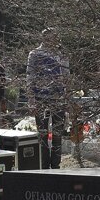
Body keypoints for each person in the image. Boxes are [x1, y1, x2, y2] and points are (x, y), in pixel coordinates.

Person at [26, 28, 68, 168]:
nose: (51, 40)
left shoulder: (61, 54)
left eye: (54, 37)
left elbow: (66, 76)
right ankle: (44, 166)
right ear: (43, 38)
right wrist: (31, 99)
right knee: (43, 134)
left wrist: (66, 97)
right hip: (40, 97)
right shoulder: (35, 54)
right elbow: (29, 76)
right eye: (48, 37)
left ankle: (56, 165)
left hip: (58, 98)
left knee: (57, 134)